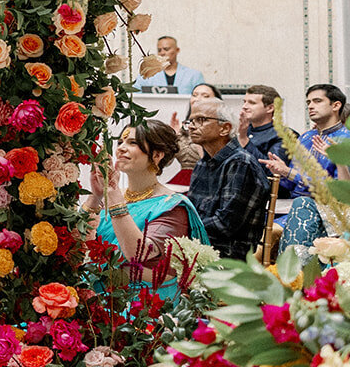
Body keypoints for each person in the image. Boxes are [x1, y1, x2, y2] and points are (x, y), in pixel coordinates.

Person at [86, 121, 210, 302]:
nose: (121, 148)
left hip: (142, 306)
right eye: (120, 142)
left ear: (157, 155)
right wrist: (95, 196)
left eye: (132, 143)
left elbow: (138, 254)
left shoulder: (171, 206)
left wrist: (113, 198)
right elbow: (80, 242)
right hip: (100, 296)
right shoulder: (115, 197)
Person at [183, 99, 272, 261]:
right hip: (198, 244)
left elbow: (224, 225)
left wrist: (182, 228)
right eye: (190, 121)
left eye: (201, 120)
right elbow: (191, 212)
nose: (191, 126)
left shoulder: (240, 163)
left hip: (228, 256)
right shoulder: (203, 163)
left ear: (225, 128)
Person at [275, 85, 350, 248]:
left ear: (336, 105)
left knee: (273, 230)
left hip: (322, 210)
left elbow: (338, 192)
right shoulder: (306, 137)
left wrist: (290, 173)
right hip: (291, 204)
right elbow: (290, 185)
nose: (310, 106)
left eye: (317, 101)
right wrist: (280, 172)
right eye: (308, 102)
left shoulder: (347, 141)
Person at [137, 36, 206, 95]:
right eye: (159, 50)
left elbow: (202, 99)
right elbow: (135, 95)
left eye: (166, 49)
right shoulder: (147, 74)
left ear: (177, 50)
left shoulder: (194, 75)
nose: (162, 53)